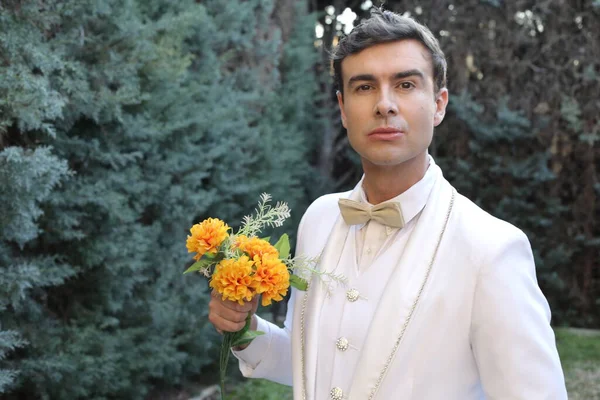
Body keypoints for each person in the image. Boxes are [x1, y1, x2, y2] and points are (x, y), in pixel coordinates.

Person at [207, 8, 568, 400]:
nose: (384, 105)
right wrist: (243, 330)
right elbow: (311, 363)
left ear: (439, 104)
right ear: (344, 110)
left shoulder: (492, 251)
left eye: (405, 85)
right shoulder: (319, 219)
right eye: (364, 87)